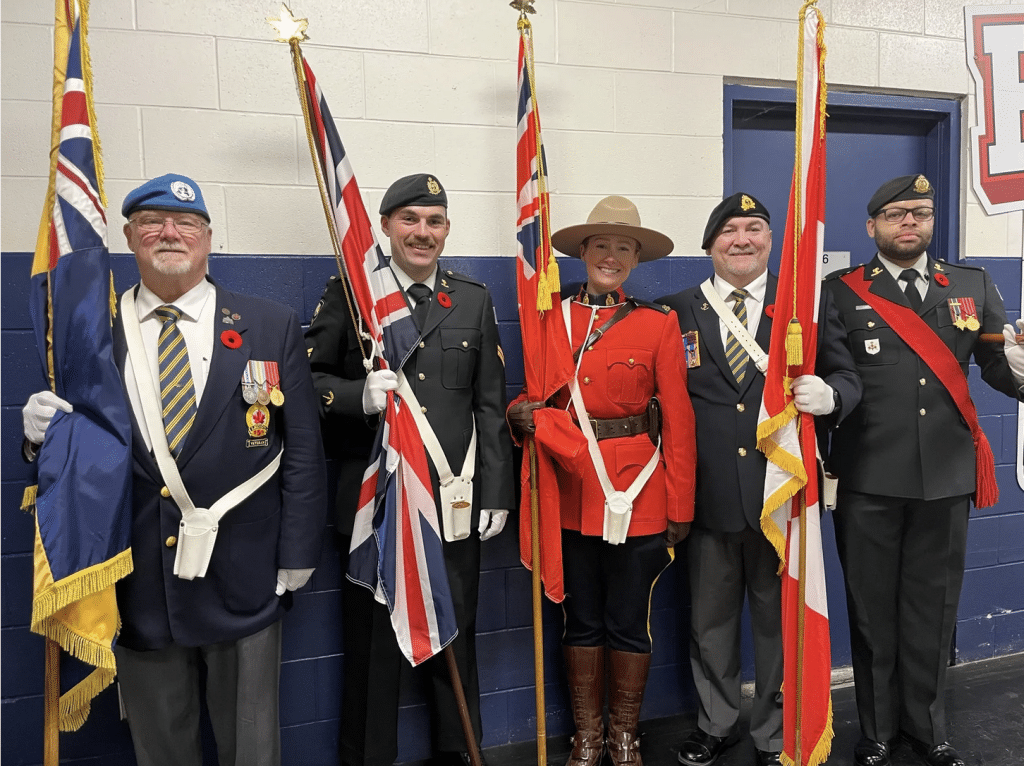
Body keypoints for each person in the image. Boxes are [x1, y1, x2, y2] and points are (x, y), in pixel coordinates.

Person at [21, 173, 328, 765]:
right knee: (161, 748)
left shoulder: (270, 324)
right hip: (140, 581)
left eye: (186, 223)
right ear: (131, 240)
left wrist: (297, 555)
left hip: (247, 576)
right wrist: (38, 439)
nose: (169, 233)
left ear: (208, 239)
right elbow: (78, 451)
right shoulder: (88, 335)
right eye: (151, 224)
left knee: (252, 748)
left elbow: (304, 454)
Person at [306, 173, 515, 766]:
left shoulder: (471, 298)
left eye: (434, 221)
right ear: (386, 225)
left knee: (456, 641)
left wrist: (495, 490)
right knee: (373, 655)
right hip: (377, 509)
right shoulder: (352, 294)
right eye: (410, 220)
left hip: (451, 504)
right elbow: (309, 382)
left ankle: (457, 756)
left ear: (447, 230)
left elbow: (489, 403)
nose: (422, 233)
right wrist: (356, 398)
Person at [822, 175, 1024, 766]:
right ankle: (879, 731)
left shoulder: (970, 283)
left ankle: (928, 730)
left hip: (944, 474)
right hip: (868, 475)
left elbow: (994, 363)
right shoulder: (840, 291)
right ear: (872, 226)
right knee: (871, 609)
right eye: (895, 214)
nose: (908, 223)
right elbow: (838, 373)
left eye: (920, 213)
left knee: (932, 610)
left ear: (932, 222)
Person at [657, 192, 861, 766]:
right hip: (707, 496)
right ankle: (715, 721)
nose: (742, 239)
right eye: (728, 230)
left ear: (772, 241)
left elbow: (847, 374)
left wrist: (834, 395)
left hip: (782, 496)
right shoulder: (674, 310)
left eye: (754, 228)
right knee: (709, 623)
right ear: (709, 244)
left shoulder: (804, 309)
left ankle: (776, 729)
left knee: (778, 623)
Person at [508, 195, 697, 766]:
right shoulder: (551, 318)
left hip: (637, 491)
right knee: (581, 615)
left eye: (623, 247)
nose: (610, 256)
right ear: (582, 253)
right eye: (600, 245)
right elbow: (539, 395)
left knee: (628, 619)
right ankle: (587, 736)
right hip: (569, 490)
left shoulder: (659, 323)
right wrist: (520, 414)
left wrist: (681, 505)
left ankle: (624, 734)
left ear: (635, 259)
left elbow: (680, 419)